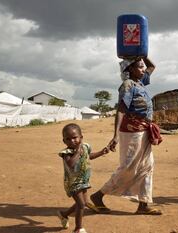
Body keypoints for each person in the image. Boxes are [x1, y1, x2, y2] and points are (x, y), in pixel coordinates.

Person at [89, 57, 162, 215]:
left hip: (144, 131)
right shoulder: (128, 85)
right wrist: (115, 136)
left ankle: (143, 204)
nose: (143, 69)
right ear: (130, 70)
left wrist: (142, 54)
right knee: (128, 168)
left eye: (143, 67)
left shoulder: (141, 83)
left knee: (147, 166)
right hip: (131, 132)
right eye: (140, 67)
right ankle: (98, 196)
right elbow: (121, 110)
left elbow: (152, 66)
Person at [57, 123, 109, 233]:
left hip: (84, 180)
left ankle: (64, 214)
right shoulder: (67, 153)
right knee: (81, 204)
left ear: (81, 137)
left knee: (83, 203)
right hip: (73, 182)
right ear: (64, 141)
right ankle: (78, 228)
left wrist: (101, 152)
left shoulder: (85, 147)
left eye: (75, 138)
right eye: (68, 139)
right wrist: (77, 152)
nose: (72, 141)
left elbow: (89, 156)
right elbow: (70, 164)